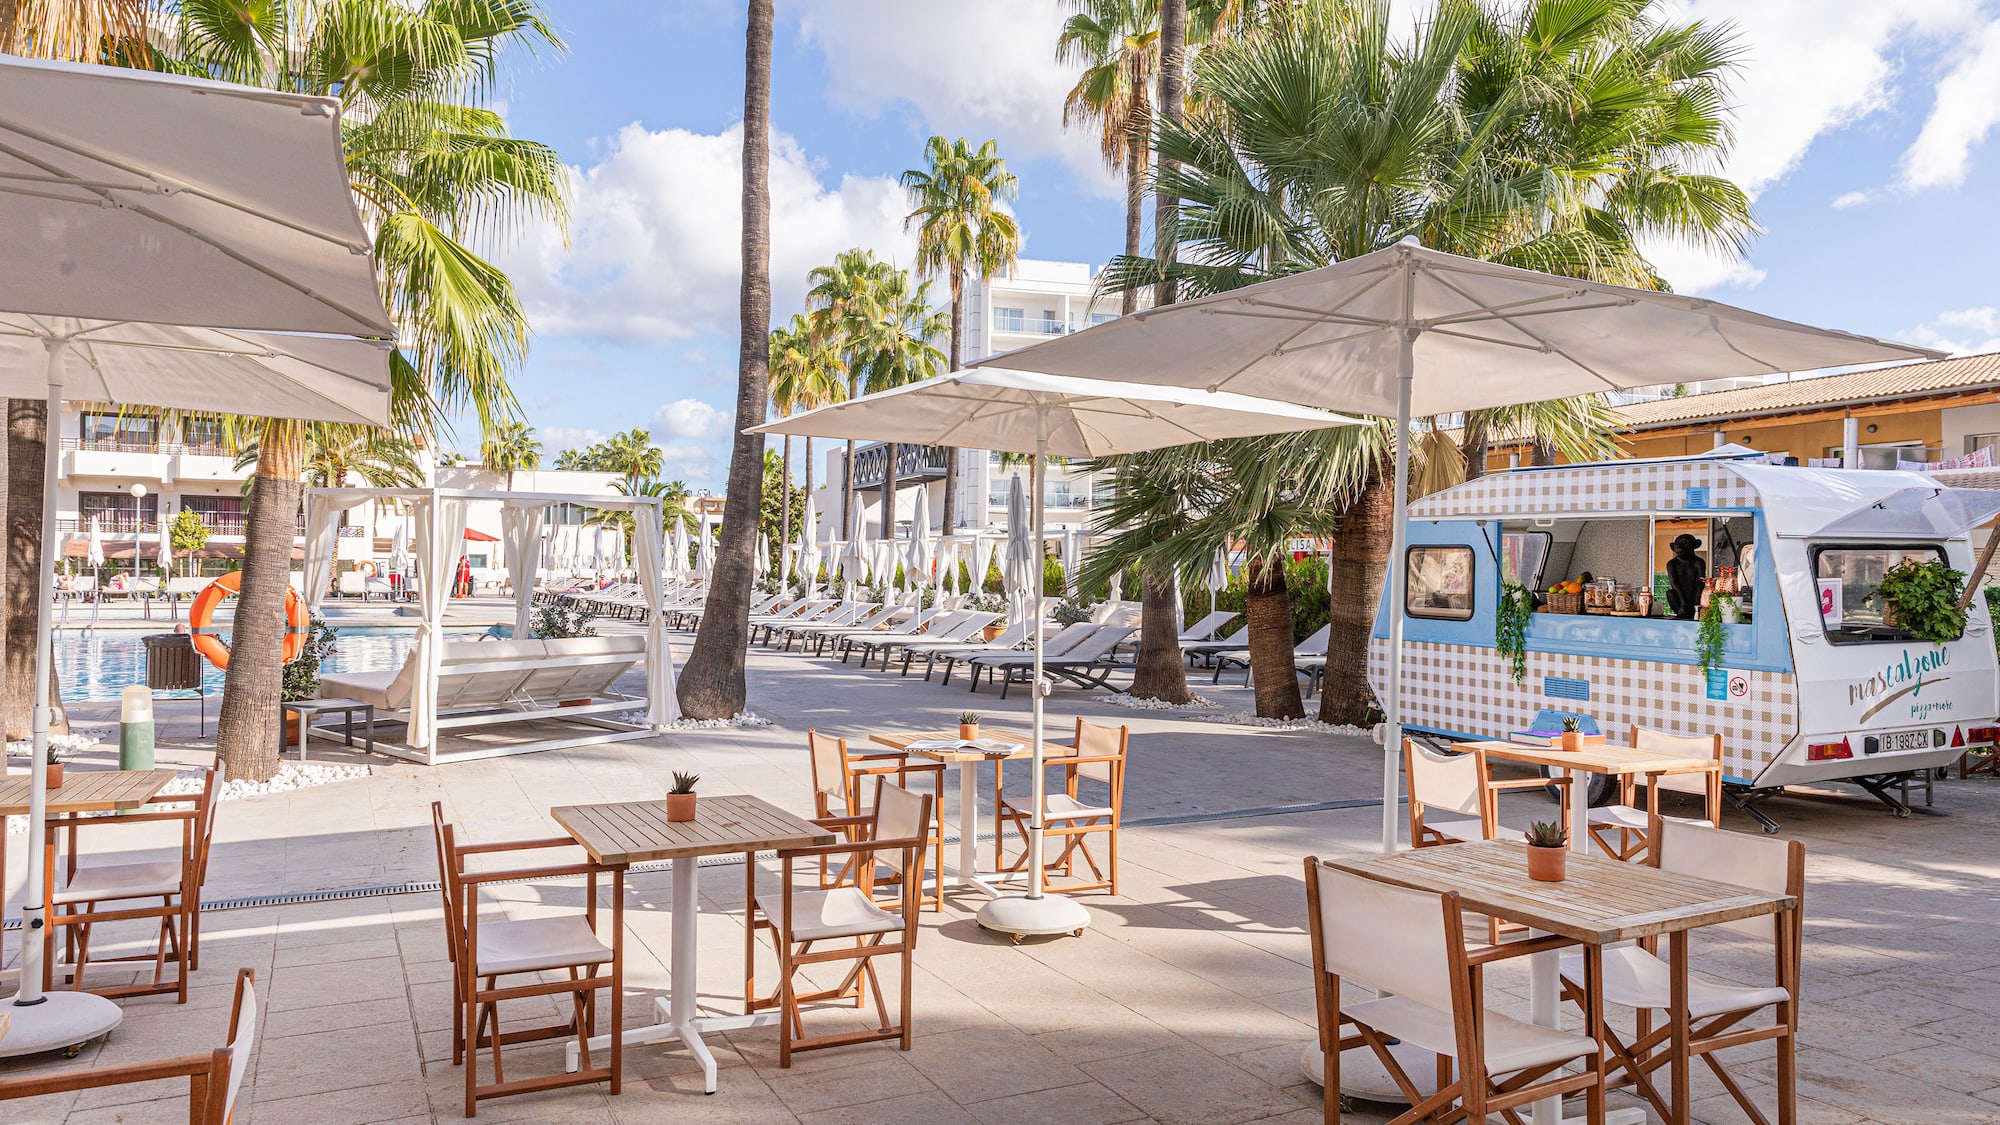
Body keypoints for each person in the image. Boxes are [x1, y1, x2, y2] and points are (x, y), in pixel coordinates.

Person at [1666, 533, 1706, 620]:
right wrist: (1683, 603)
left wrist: (1696, 606)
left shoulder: (1698, 562)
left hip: (1694, 595)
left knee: (1702, 593)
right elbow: (1674, 584)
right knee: (1670, 593)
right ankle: (1682, 612)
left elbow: (1700, 584)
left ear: (1694, 546)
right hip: (1678, 597)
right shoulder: (1672, 564)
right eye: (1678, 544)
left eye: (1684, 543)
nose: (1680, 546)